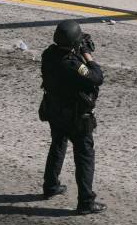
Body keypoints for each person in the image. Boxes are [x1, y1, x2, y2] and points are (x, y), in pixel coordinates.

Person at [40, 20, 105, 214]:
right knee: (84, 155)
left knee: (58, 145)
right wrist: (87, 54)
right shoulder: (72, 64)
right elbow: (96, 77)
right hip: (75, 116)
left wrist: (77, 50)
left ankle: (51, 185)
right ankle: (86, 201)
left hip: (54, 110)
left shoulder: (48, 54)